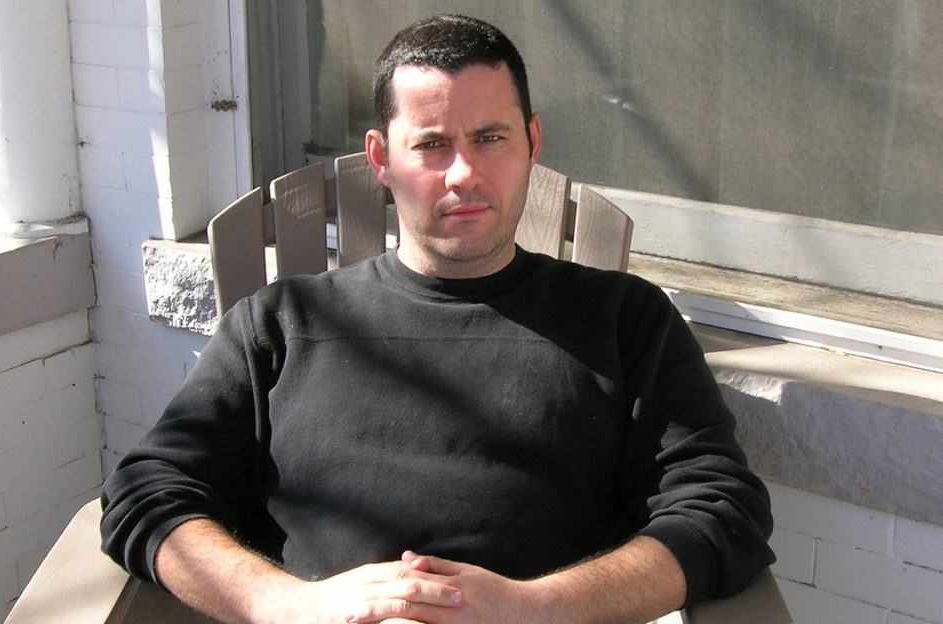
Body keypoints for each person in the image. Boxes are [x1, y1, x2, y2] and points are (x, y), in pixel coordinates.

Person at [101, 14, 774, 624]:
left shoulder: (624, 322)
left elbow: (723, 510)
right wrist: (285, 604)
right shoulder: (281, 326)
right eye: (430, 144)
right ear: (380, 160)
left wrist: (534, 607)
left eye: (491, 138)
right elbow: (147, 491)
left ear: (532, 141)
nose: (464, 174)